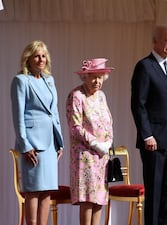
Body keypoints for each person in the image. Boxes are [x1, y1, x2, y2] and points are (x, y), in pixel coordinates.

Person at [131, 24, 167, 225]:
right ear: (155, 41)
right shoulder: (145, 67)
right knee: (155, 193)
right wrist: (147, 135)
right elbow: (139, 104)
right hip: (153, 142)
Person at [10, 40, 64, 225]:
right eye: (37, 56)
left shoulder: (50, 80)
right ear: (28, 59)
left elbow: (54, 112)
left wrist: (59, 142)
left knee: (47, 190)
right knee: (33, 190)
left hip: (50, 144)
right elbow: (18, 116)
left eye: (43, 56)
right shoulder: (21, 81)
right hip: (33, 144)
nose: (41, 59)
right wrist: (25, 145)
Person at [66, 58, 114, 225]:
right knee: (88, 199)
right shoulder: (76, 96)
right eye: (93, 76)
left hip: (102, 157)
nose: (97, 81)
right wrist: (95, 143)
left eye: (100, 77)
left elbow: (109, 121)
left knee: (99, 199)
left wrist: (108, 142)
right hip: (85, 156)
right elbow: (75, 127)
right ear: (84, 77)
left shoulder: (101, 96)